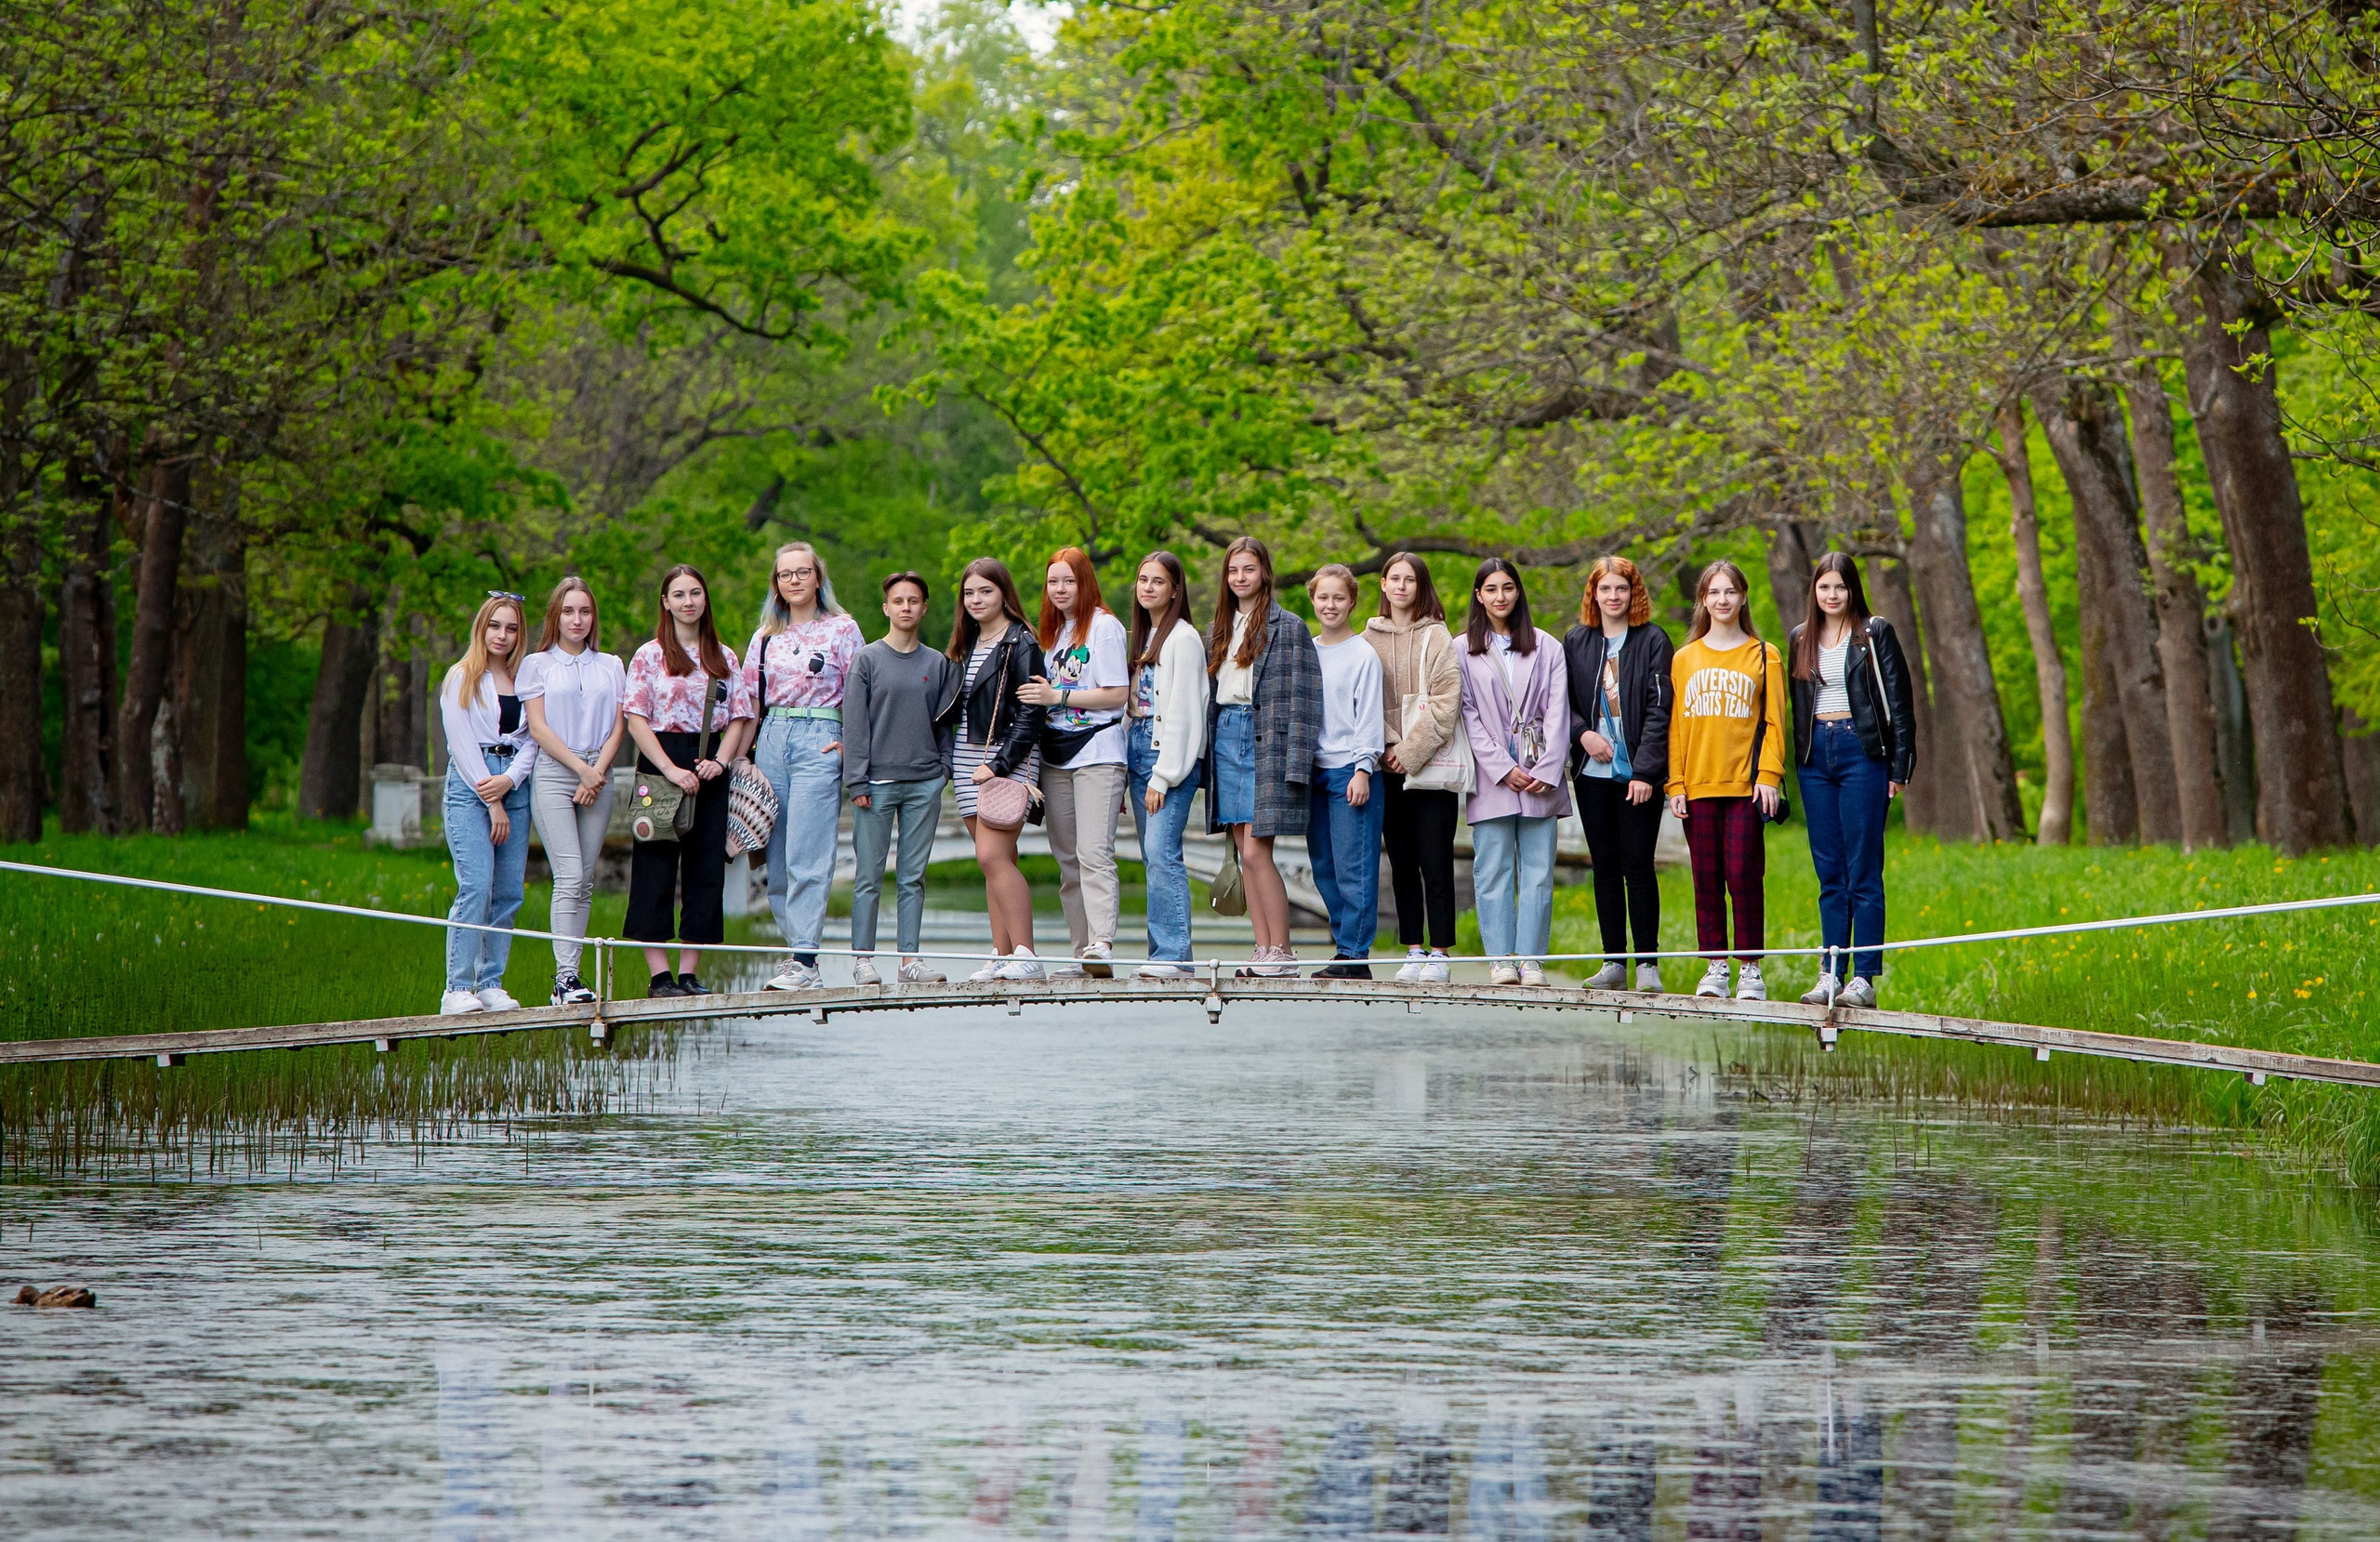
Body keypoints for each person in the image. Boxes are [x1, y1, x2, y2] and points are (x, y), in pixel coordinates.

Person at [1788, 551, 1916, 1009]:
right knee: (1829, 872)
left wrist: (1900, 768)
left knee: (1863, 867)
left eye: (1839, 587)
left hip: (1863, 753)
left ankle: (1863, 977)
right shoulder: (1801, 637)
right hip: (1815, 759)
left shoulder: (1874, 633)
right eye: (1824, 587)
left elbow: (1899, 701)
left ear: (1852, 589)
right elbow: (1798, 706)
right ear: (1815, 592)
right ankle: (1829, 972)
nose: (1832, 595)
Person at [623, 564, 757, 998]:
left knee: (704, 870)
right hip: (660, 763)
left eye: (695, 593)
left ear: (705, 599)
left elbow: (739, 716)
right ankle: (659, 976)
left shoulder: (724, 656)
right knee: (654, 867)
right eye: (678, 595)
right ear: (666, 602)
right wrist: (670, 769)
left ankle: (689, 973)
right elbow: (636, 719)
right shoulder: (648, 655)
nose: (688, 602)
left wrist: (719, 761)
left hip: (709, 765)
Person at [1665, 560, 1788, 1002]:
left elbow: (1775, 722)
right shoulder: (1684, 658)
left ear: (1742, 597)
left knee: (1743, 874)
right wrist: (1675, 784)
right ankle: (1715, 964)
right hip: (1697, 786)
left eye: (1730, 592)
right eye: (1714, 592)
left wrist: (1769, 775)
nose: (1722, 600)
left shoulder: (1763, 654)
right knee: (1706, 876)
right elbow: (1676, 727)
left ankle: (1749, 967)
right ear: (1703, 600)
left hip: (1745, 787)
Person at [746, 541, 864, 992]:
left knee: (808, 852)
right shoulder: (764, 637)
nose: (793, 580)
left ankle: (805, 958)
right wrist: (743, 755)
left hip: (821, 738)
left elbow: (861, 692)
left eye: (802, 572)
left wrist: (850, 746)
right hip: (772, 739)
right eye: (784, 574)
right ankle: (797, 952)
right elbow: (749, 702)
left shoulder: (843, 629)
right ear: (776, 583)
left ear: (818, 577)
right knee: (773, 855)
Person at [1203, 536, 1322, 980]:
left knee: (1256, 851)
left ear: (1264, 573)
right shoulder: (1218, 627)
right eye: (1233, 571)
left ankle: (1284, 951)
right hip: (1226, 737)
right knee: (1241, 847)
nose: (1240, 579)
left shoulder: (1288, 626)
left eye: (1248, 570)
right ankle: (1262, 947)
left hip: (1266, 740)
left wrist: (1297, 765)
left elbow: (1307, 702)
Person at [1562, 555, 1673, 995]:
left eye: (1621, 589)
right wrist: (1583, 735)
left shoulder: (1652, 641)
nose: (1613, 596)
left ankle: (1647, 962)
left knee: (1638, 866)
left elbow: (1660, 710)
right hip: (1592, 775)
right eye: (1604, 589)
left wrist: (1646, 771)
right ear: (1593, 593)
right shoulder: (1576, 641)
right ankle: (1613, 960)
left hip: (1638, 778)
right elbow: (1561, 703)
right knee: (1604, 867)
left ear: (1633, 593)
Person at [1458, 559, 1571, 987]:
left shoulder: (1547, 647)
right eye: (1491, 589)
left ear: (1518, 592)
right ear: (1479, 596)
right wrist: (1502, 768)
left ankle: (1532, 960)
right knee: (1493, 867)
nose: (1500, 596)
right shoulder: (1461, 649)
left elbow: (1559, 710)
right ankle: (1501, 957)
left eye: (1507, 588)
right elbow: (1467, 714)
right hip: (1491, 774)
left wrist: (1547, 767)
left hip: (1541, 769)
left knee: (1539, 870)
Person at [842, 572, 959, 986]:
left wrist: (943, 768)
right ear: (886, 608)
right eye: (898, 601)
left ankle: (910, 961)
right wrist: (856, 781)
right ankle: (863, 961)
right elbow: (854, 725)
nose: (906, 607)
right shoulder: (867, 659)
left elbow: (946, 722)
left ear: (924, 608)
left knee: (913, 877)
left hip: (924, 782)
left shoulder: (937, 663)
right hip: (875, 786)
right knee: (868, 876)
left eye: (914, 601)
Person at [1017, 547, 1130, 979]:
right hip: (1054, 755)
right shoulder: (1050, 633)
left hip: (1098, 753)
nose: (1060, 590)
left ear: (1084, 584)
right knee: (1066, 858)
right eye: (1053, 582)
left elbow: (1116, 694)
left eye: (1069, 581)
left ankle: (1103, 942)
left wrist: (1057, 697)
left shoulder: (1104, 627)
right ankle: (1082, 952)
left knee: (1093, 853)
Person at [518, 576, 626, 1006]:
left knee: (585, 879)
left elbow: (620, 725)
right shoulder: (537, 665)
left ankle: (574, 975)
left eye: (584, 611)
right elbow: (538, 728)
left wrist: (596, 772)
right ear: (555, 616)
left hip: (599, 774)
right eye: (568, 611)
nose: (576, 619)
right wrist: (579, 769)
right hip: (556, 773)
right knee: (568, 873)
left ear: (592, 616)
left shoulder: (612, 665)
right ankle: (565, 979)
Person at [938, 558, 1047, 982]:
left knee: (992, 855)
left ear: (1003, 592)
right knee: (993, 862)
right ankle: (1002, 953)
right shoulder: (965, 645)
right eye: (969, 593)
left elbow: (1031, 714)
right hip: (968, 758)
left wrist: (1000, 765)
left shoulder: (1020, 643)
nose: (976, 600)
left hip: (1005, 758)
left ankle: (1027, 954)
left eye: (986, 591)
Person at [438, 591, 540, 1015]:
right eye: (495, 626)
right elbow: (461, 745)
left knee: (509, 892)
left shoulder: (527, 679)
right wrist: (493, 799)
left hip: (514, 783)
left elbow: (535, 736)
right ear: (482, 628)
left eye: (511, 628)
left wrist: (512, 780)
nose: (502, 635)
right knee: (476, 885)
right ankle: (456, 988)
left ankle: (491, 982)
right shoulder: (461, 676)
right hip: (471, 788)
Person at [1363, 551, 1461, 985]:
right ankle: (1412, 947)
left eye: (1410, 580)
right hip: (1387, 768)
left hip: (1431, 768)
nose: (1401, 586)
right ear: (1383, 585)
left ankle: (1439, 951)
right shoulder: (1367, 638)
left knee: (1435, 860)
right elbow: (1363, 700)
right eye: (1394, 579)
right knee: (1400, 860)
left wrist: (1411, 749)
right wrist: (1389, 747)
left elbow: (1447, 701)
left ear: (1421, 587)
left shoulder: (1437, 636)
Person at [1123, 551, 1207, 982]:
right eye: (1142, 580)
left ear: (1175, 589)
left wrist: (1164, 774)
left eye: (1158, 581)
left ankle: (1174, 954)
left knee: (1161, 853)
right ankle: (1165, 952)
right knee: (1150, 856)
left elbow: (1184, 714)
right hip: (1137, 753)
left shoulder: (1183, 638)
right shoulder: (1141, 638)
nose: (1148, 588)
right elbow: (1131, 708)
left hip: (1167, 758)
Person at [1305, 564, 1384, 979]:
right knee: (1323, 865)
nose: (1330, 605)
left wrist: (1363, 769)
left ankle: (1355, 954)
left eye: (1339, 597)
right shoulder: (1307, 650)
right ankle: (1344, 946)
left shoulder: (1362, 654)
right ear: (1313, 600)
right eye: (1323, 597)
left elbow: (1369, 715)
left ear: (1352, 602)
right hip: (1312, 772)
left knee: (1354, 866)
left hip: (1349, 772)